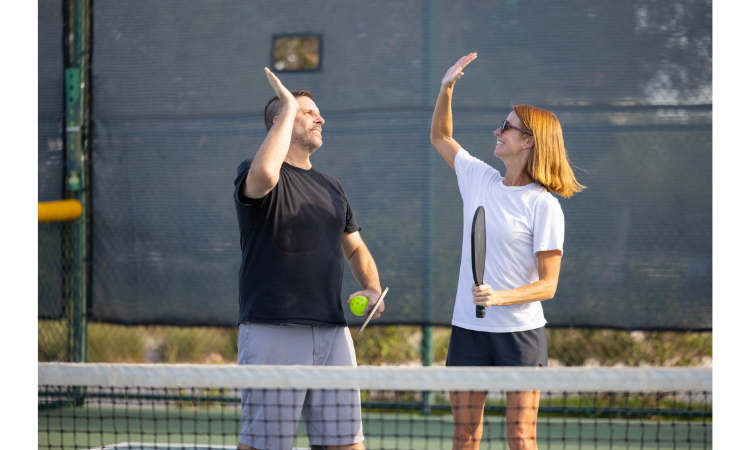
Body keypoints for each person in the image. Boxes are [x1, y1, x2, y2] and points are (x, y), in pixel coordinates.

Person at [430, 53, 584, 450]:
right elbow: (441, 137)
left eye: (506, 127)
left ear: (528, 141)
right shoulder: (478, 179)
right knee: (465, 435)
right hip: (468, 330)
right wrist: (446, 88)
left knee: (520, 436)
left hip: (521, 335)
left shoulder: (544, 205)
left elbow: (548, 286)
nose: (497, 131)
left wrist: (498, 298)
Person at [234, 68, 385, 450]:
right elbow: (266, 172)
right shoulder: (255, 172)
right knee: (265, 445)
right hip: (274, 327)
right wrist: (287, 105)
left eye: (317, 112)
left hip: (333, 332)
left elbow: (355, 247)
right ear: (279, 121)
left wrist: (371, 286)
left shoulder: (332, 186)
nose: (320, 118)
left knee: (347, 444)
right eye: (307, 112)